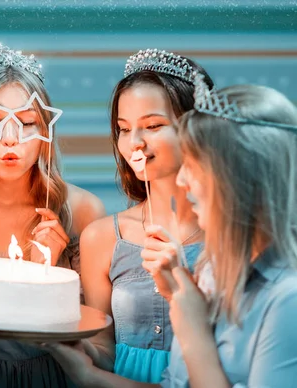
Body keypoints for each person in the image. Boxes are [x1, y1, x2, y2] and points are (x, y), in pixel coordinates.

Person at [44, 79, 297, 387]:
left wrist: (190, 324)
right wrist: (87, 373)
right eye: (123, 128)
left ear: (239, 178)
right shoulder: (210, 274)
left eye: (197, 165)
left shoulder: (286, 299)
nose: (184, 182)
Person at [0, 43, 106, 388]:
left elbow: (101, 345)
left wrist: (47, 273)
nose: (10, 139)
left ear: (46, 130)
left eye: (27, 123)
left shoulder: (81, 210)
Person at [78, 49, 212, 383]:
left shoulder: (229, 234)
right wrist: (60, 342)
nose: (134, 142)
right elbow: (103, 349)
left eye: (152, 125)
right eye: (124, 129)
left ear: (196, 126)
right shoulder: (101, 238)